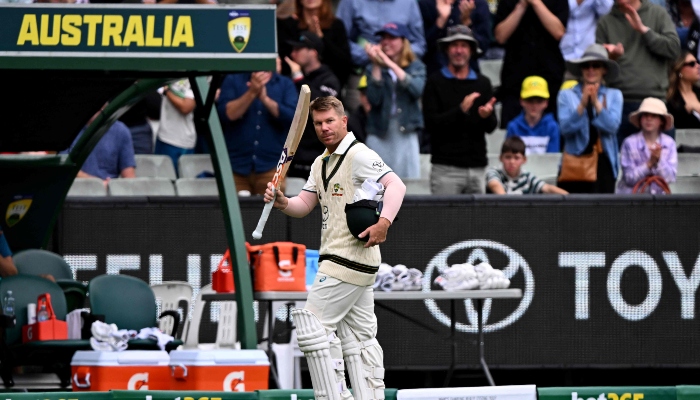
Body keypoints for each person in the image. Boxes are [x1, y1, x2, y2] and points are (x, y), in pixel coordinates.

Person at [262, 96, 406, 400]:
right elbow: (304, 205)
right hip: (352, 262)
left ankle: (334, 397)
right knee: (360, 339)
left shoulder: (360, 154)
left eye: (330, 121)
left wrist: (384, 223)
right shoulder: (320, 162)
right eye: (318, 123)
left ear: (343, 121)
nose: (324, 127)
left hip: (346, 260)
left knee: (312, 328)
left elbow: (397, 185)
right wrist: (282, 201)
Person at [422, 25, 497, 194]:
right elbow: (430, 124)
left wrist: (487, 116)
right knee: (444, 221)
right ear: (447, 49)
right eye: (454, 45)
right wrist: (460, 110)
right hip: (445, 169)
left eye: (464, 46)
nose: (459, 51)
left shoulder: (483, 83)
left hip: (477, 168)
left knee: (477, 221)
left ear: (471, 50)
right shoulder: (434, 82)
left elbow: (491, 128)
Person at [596, 0, 680, 145]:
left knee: (661, 164)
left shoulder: (658, 14)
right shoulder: (605, 22)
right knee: (616, 165)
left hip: (654, 102)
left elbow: (674, 50)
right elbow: (595, 69)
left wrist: (644, 30)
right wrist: (611, 57)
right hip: (617, 104)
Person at [217, 70, 298, 195]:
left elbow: (293, 119)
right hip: (235, 165)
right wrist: (252, 92)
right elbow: (227, 114)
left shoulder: (285, 83)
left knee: (271, 212)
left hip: (272, 166)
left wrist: (264, 99)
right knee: (236, 212)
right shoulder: (233, 80)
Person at [557, 43, 623, 193]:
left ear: (604, 69)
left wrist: (596, 103)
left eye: (596, 66)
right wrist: (582, 104)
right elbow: (565, 129)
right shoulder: (566, 95)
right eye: (586, 66)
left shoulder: (614, 95)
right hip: (574, 163)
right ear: (581, 69)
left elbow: (612, 127)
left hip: (603, 164)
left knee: (603, 215)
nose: (591, 70)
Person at [364, 23, 427, 179]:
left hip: (405, 131)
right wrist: (377, 65)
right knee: (375, 185)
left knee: (406, 184)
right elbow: (374, 100)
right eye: (383, 38)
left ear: (403, 41)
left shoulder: (416, 66)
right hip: (380, 131)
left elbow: (416, 89)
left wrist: (390, 63)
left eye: (392, 38)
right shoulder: (371, 68)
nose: (386, 42)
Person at [493, 0, 569, 128]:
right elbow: (500, 36)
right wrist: (521, 5)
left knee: (550, 135)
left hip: (549, 77)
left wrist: (536, 3)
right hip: (515, 80)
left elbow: (559, 32)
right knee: (513, 140)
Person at [284, 31, 343, 179]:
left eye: (298, 49)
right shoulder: (290, 78)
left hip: (320, 154)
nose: (293, 54)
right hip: (295, 155)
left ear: (313, 52)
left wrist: (299, 78)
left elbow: (323, 105)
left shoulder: (329, 78)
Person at [277, 0, 353, 88]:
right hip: (292, 84)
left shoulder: (336, 25)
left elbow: (344, 63)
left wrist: (321, 38)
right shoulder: (288, 24)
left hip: (328, 84)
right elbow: (283, 57)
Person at [617, 97, 678, 193]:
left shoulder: (669, 143)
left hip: (657, 200)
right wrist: (649, 164)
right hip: (631, 200)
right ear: (640, 119)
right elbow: (629, 178)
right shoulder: (629, 142)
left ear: (661, 120)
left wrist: (658, 161)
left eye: (654, 116)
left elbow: (670, 178)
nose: (649, 119)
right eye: (645, 115)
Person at [418, 0, 491, 75]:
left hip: (468, 75)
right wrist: (441, 21)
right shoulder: (426, 4)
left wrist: (466, 24)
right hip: (434, 73)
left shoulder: (478, 4)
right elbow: (421, 48)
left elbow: (482, 48)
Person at [64, 120, 136, 187]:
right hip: (75, 190)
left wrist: (113, 187)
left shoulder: (121, 130)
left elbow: (129, 178)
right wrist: (98, 184)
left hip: (109, 194)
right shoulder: (69, 129)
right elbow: (64, 168)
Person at [487, 136, 569, 194]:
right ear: (501, 158)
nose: (512, 161)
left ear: (524, 160)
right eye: (508, 157)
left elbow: (547, 188)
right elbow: (494, 184)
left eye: (516, 158)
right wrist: (507, 204)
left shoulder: (528, 177)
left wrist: (570, 198)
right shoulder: (494, 172)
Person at [506, 76, 561, 154]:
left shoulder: (552, 127)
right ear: (522, 101)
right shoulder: (513, 126)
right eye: (530, 100)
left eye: (539, 101)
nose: (534, 105)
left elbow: (552, 159)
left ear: (546, 103)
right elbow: (510, 157)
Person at [155, 79, 196, 175]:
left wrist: (166, 91)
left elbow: (186, 107)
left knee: (180, 182)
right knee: (161, 181)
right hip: (163, 136)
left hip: (181, 141)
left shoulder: (195, 77)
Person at [667, 51, 700, 129]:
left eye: (697, 62)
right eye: (692, 64)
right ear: (679, 70)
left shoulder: (698, 91)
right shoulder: (671, 99)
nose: (698, 66)